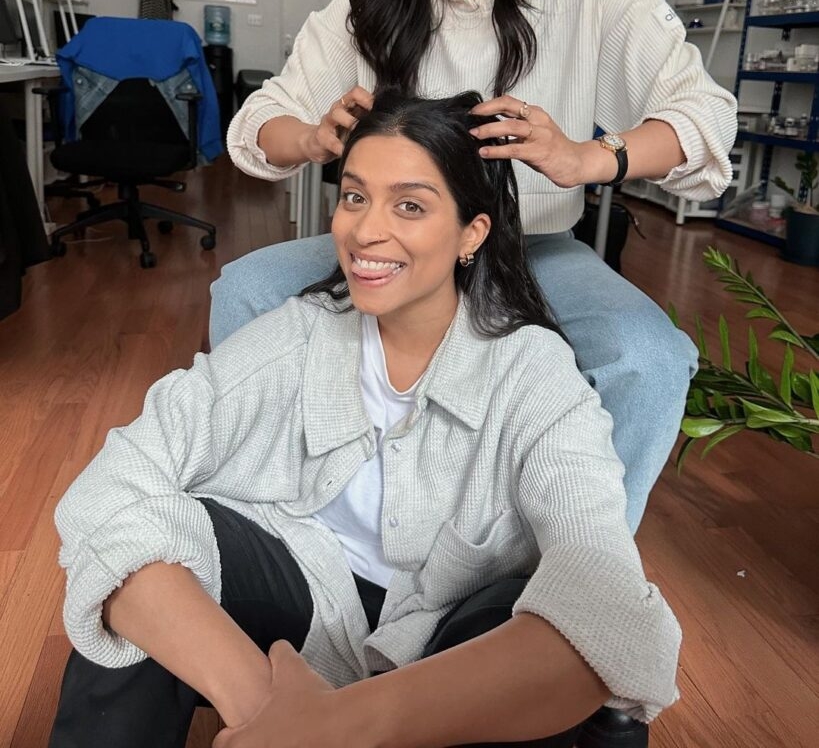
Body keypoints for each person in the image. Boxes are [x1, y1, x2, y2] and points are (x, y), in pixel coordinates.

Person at [214, 0, 737, 541]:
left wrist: (589, 157)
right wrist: (316, 138)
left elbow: (703, 115)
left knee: (649, 358)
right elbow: (258, 124)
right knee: (242, 291)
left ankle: (577, 574)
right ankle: (279, 524)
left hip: (532, 248)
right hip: (395, 249)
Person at [49, 92, 681, 748]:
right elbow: (110, 488)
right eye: (354, 196)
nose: (365, 230)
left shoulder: (533, 372)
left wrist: (335, 727)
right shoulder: (298, 335)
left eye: (409, 204)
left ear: (473, 232)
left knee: (564, 629)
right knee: (136, 554)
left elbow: (607, 599)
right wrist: (266, 708)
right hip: (307, 593)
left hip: (450, 633)